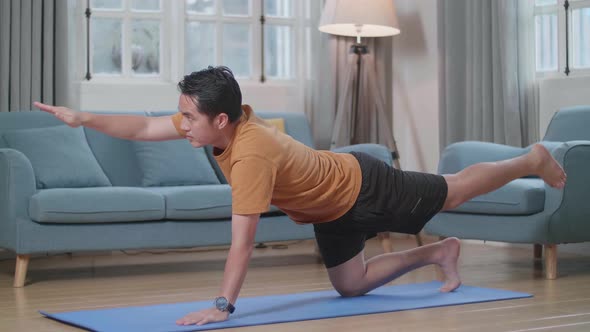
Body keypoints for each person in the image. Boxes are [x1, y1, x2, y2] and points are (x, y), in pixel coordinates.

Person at [35, 66, 567, 327]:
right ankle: (436, 252)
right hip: (328, 206)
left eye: (190, 119)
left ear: (221, 120)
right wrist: (84, 118)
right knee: (351, 287)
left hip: (365, 184)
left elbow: (241, 244)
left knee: (450, 192)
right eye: (183, 115)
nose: (181, 126)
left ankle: (530, 158)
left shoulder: (250, 155)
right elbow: (143, 129)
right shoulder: (217, 121)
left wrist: (222, 306)